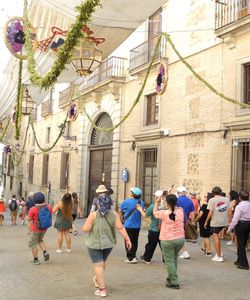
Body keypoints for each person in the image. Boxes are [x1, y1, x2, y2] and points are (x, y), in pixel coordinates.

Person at [83, 193, 131, 297]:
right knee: (102, 262)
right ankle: (97, 279)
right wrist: (127, 239)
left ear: (98, 204)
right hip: (109, 244)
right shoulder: (114, 214)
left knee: (98, 265)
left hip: (94, 244)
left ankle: (102, 289)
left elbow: (85, 229)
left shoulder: (93, 215)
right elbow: (121, 228)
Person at [154, 194, 185, 289]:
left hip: (167, 240)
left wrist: (156, 203)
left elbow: (154, 212)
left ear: (167, 203)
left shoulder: (164, 213)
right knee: (174, 259)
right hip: (180, 239)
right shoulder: (180, 211)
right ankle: (171, 278)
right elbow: (177, 208)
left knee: (169, 261)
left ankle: (174, 282)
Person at [136, 190, 165, 264]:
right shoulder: (165, 206)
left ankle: (147, 258)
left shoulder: (153, 206)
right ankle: (166, 260)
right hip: (163, 229)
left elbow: (145, 215)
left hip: (154, 229)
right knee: (164, 246)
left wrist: (140, 209)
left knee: (151, 245)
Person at [204, 186, 229, 262]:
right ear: (220, 192)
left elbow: (210, 212)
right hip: (224, 221)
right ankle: (219, 253)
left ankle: (219, 256)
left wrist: (206, 221)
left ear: (213, 193)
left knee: (216, 239)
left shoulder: (212, 200)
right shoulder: (226, 199)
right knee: (218, 238)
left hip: (215, 222)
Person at [120, 187, 144, 263]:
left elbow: (120, 211)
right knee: (135, 241)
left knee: (128, 240)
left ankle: (131, 257)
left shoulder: (126, 202)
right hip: (137, 226)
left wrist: (120, 220)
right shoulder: (141, 203)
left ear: (132, 194)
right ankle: (133, 255)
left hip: (128, 225)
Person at [227, 190, 250, 270]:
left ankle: (244, 264)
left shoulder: (239, 206)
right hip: (248, 224)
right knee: (242, 244)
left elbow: (235, 219)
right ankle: (239, 260)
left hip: (241, 224)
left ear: (240, 198)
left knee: (240, 245)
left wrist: (229, 229)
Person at [27, 192, 52, 265]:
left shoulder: (33, 209)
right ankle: (45, 252)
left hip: (35, 229)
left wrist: (29, 231)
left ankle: (36, 259)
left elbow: (29, 220)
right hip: (44, 228)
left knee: (33, 243)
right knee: (40, 240)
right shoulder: (49, 207)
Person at [176, 186, 195, 259]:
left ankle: (185, 252)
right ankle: (179, 251)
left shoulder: (177, 200)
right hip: (186, 221)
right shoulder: (190, 201)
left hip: (177, 222)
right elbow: (193, 212)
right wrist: (193, 222)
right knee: (181, 237)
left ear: (179, 193)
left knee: (179, 237)